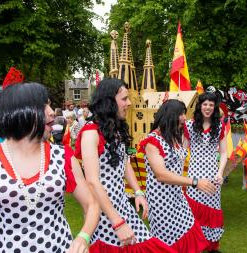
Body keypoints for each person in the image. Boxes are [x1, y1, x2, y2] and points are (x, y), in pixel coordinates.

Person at [0, 82, 100, 253]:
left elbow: (91, 204)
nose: (51, 112)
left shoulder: (62, 156)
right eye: (43, 106)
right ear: (19, 111)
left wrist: (83, 237)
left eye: (49, 104)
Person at [75, 79, 174, 252]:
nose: (129, 103)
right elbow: (92, 181)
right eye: (124, 98)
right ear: (109, 101)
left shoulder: (116, 128)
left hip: (121, 204)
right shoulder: (91, 132)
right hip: (104, 211)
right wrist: (117, 222)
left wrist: (137, 192)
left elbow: (125, 162)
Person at [139, 99, 216, 252]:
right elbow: (161, 174)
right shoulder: (152, 141)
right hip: (161, 200)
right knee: (167, 241)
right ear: (170, 115)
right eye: (181, 113)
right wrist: (195, 182)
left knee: (189, 230)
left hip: (177, 196)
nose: (184, 117)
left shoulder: (174, 136)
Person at [183, 92, 227, 253]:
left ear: (214, 107)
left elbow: (223, 153)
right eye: (205, 104)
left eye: (211, 104)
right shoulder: (188, 125)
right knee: (193, 211)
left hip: (213, 176)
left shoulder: (220, 126)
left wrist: (220, 173)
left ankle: (212, 247)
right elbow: (183, 150)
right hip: (194, 176)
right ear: (200, 106)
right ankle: (195, 244)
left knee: (212, 211)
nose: (208, 107)